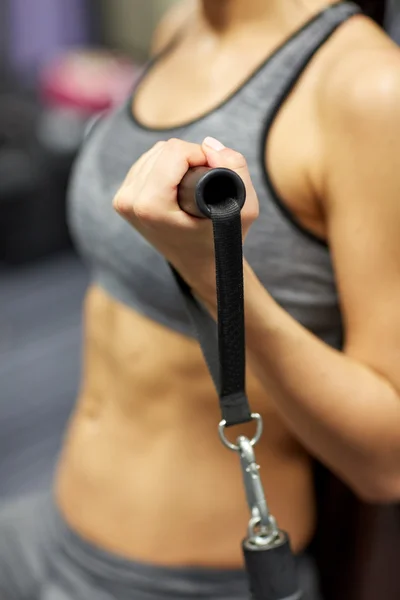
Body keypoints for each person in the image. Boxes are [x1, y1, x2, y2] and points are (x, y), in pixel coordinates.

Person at [1, 0, 400, 598]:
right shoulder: (183, 23)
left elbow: (386, 465)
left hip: (180, 580)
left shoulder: (370, 87)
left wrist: (213, 272)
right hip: (54, 521)